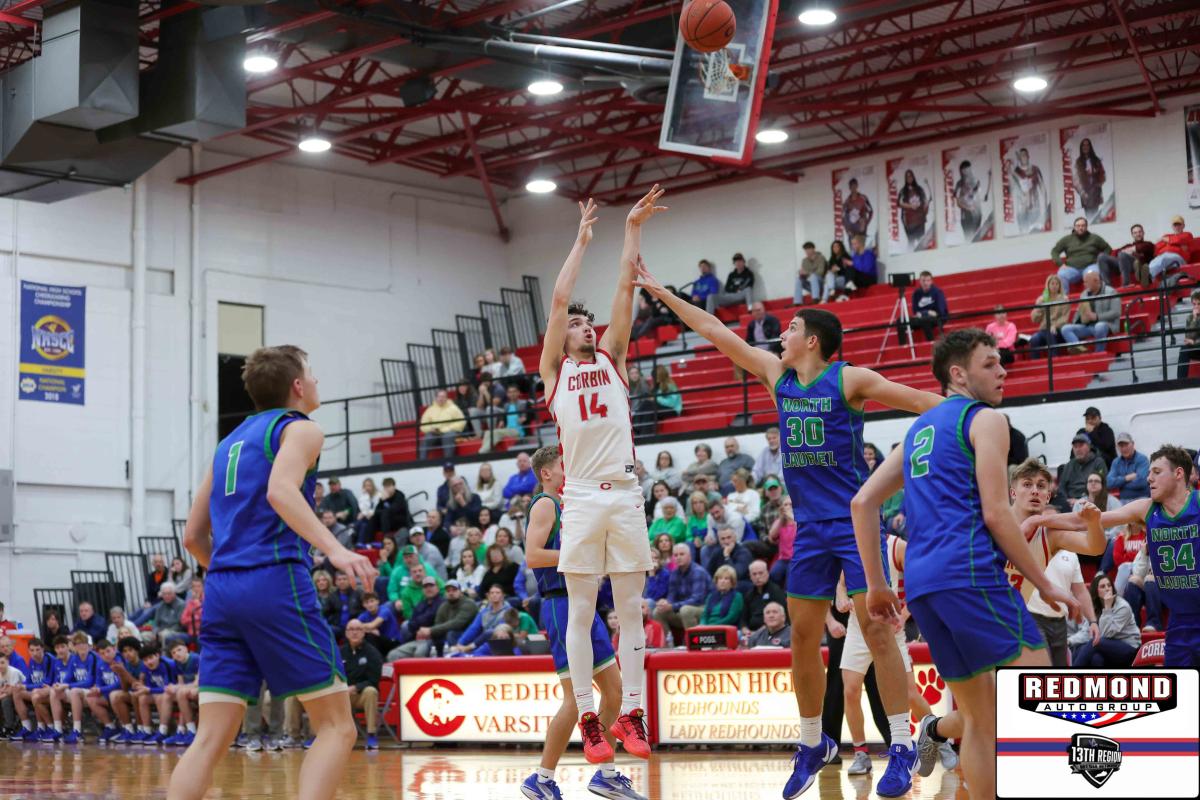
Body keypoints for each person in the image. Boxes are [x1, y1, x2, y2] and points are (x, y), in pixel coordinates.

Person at [635, 264, 946, 800]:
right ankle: (813, 741)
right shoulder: (775, 376)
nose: (782, 334)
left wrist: (973, 423)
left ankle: (900, 744)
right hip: (810, 529)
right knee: (802, 636)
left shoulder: (848, 379)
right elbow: (714, 330)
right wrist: (664, 294)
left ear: (813, 340)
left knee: (877, 630)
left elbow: (923, 402)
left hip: (854, 522)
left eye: (792, 327)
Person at [852, 330, 1079, 800]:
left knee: (980, 718)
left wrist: (876, 584)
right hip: (969, 573)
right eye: (990, 363)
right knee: (1042, 698)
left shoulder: (918, 429)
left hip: (923, 586)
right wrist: (1045, 584)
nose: (1002, 371)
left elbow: (862, 502)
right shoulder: (986, 419)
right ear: (958, 373)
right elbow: (997, 513)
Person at [165, 345, 375, 800]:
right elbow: (281, 490)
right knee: (337, 727)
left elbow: (192, 537)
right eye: (312, 373)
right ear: (297, 385)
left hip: (221, 588)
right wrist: (336, 550)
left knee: (210, 737)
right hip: (275, 580)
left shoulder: (227, 444)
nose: (316, 381)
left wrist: (233, 577)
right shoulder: (301, 429)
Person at [539, 190, 662, 764]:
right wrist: (582, 240)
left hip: (626, 491)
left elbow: (625, 287)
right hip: (583, 496)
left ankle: (632, 713)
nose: (586, 328)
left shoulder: (613, 359)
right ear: (563, 337)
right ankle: (589, 719)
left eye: (590, 324)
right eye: (577, 325)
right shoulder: (554, 373)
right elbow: (560, 298)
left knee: (632, 608)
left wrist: (632, 228)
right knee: (582, 609)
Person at [520, 446, 645, 800]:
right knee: (576, 700)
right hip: (560, 604)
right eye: (564, 465)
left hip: (584, 603)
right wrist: (581, 555)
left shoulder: (573, 505)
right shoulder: (546, 504)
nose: (571, 469)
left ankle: (606, 775)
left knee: (615, 691)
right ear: (546, 473)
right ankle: (541, 778)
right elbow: (533, 555)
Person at [1025, 444, 1199, 666]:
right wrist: (1037, 520)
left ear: (1178, 473)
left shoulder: (1197, 503)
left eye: (1157, 472)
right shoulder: (1146, 509)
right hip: (1179, 621)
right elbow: (1084, 521)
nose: (1149, 479)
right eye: (1149, 473)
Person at [834, 535, 956, 778]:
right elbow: (841, 583)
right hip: (858, 627)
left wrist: (904, 614)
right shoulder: (851, 544)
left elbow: (922, 583)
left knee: (909, 692)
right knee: (850, 690)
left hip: (889, 627)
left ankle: (939, 738)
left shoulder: (897, 546)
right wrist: (841, 597)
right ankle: (860, 753)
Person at [1071, 574, 1141, 667]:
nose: (1107, 589)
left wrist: (1107, 608)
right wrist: (1069, 641)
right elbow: (1087, 633)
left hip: (1128, 648)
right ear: (1096, 591)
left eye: (1109, 585)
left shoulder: (1122, 606)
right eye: (1103, 586)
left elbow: (1107, 634)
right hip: (1106, 647)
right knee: (1094, 657)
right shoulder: (1094, 607)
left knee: (1095, 642)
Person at [653, 544, 711, 644]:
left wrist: (672, 606)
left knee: (686, 610)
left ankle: (694, 644)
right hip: (682, 608)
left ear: (690, 556)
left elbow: (697, 599)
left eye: (682, 554)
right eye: (675, 555)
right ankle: (667, 644)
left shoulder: (698, 572)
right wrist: (665, 603)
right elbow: (671, 596)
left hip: (703, 608)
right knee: (658, 611)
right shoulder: (674, 573)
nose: (678, 557)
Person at [340, 620, 382, 750]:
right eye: (351, 629)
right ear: (346, 633)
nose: (354, 632)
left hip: (360, 696)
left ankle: (371, 735)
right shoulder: (340, 652)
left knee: (371, 691)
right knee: (323, 693)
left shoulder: (372, 653)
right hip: (341, 696)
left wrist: (355, 687)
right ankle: (315, 735)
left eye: (358, 629)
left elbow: (374, 680)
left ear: (364, 632)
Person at [1061, 270, 1120, 353]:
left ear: (1096, 281)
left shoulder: (1111, 292)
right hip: (1087, 326)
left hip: (1106, 324)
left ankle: (1098, 353)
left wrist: (1097, 316)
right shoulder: (1084, 294)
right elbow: (1078, 313)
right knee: (1065, 328)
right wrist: (1079, 320)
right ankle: (1080, 349)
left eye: (1086, 282)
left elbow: (1116, 312)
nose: (1084, 284)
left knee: (1099, 326)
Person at [1051, 217, 1117, 289]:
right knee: (1061, 274)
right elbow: (1054, 251)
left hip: (1091, 266)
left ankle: (1093, 295)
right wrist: (1060, 264)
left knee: (1092, 275)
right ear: (1074, 227)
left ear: (1086, 227)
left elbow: (1107, 248)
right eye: (1078, 226)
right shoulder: (1066, 239)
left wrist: (1100, 261)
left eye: (1083, 225)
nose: (1080, 228)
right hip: (1072, 269)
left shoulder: (1094, 238)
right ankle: (1064, 296)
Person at [1028, 274, 1071, 357]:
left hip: (1057, 329)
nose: (1054, 286)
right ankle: (1035, 362)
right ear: (1048, 285)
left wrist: (1055, 325)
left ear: (1059, 286)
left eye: (1056, 284)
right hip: (1044, 329)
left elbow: (1064, 318)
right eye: (1052, 284)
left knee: (1050, 335)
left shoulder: (1064, 299)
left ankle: (1054, 359)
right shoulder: (1042, 299)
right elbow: (1035, 319)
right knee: (1034, 339)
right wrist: (1039, 307)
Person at [417, 388, 466, 460]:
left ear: (446, 398)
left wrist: (447, 429)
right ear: (436, 398)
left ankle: (448, 461)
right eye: (439, 396)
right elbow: (423, 424)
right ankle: (422, 463)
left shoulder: (453, 408)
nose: (441, 399)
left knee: (448, 436)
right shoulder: (430, 409)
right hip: (435, 433)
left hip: (449, 432)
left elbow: (462, 421)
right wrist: (430, 429)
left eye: (443, 397)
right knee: (426, 439)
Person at [1060, 433, 1107, 505]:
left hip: (1091, 501)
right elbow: (1062, 487)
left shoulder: (1098, 463)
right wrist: (1066, 501)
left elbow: (1102, 485)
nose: (1078, 449)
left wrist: (1082, 500)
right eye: (1075, 447)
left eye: (1081, 446)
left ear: (1089, 447)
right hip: (1070, 502)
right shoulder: (1069, 465)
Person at [1011, 147, 1049, 234]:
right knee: (1024, 234)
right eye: (1021, 156)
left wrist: (1045, 209)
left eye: (1024, 155)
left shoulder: (1035, 169)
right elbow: (1012, 191)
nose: (1023, 157)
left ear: (1028, 156)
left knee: (1036, 234)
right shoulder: (1016, 172)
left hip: (1035, 209)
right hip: (1022, 210)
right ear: (1019, 158)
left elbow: (1043, 189)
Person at [1148, 214, 1194, 282]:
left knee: (1165, 258)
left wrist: (1165, 240)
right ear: (1172, 226)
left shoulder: (1187, 234)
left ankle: (1149, 276)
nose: (1177, 227)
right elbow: (1157, 248)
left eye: (1179, 224)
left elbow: (1178, 240)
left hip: (1179, 259)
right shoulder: (1167, 236)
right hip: (1165, 259)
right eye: (1175, 225)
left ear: (1183, 226)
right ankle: (1149, 278)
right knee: (1154, 261)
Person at [906, 271, 948, 342]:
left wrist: (923, 313)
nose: (925, 283)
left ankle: (931, 344)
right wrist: (928, 312)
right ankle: (904, 346)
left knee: (925, 320)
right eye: (923, 280)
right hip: (921, 318)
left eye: (928, 280)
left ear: (931, 281)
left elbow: (940, 312)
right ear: (920, 281)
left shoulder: (937, 292)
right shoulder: (916, 293)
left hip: (938, 318)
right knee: (901, 321)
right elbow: (915, 312)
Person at [1073, 137, 1106, 221]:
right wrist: (1082, 193)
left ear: (1090, 147)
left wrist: (1098, 181)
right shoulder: (1078, 162)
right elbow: (1075, 180)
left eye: (1087, 145)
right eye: (1083, 145)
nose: (1085, 147)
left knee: (1095, 216)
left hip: (1096, 193)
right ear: (1081, 147)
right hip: (1085, 194)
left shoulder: (1096, 160)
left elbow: (1103, 175)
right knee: (1089, 217)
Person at [897, 169, 930, 248]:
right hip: (909, 223)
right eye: (907, 177)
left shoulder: (919, 189)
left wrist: (926, 208)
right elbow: (899, 203)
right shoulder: (903, 191)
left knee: (921, 244)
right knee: (911, 244)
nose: (909, 178)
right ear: (905, 178)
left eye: (910, 176)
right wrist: (910, 206)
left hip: (920, 221)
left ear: (913, 177)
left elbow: (925, 201)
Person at [953, 160, 983, 241]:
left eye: (969, 170)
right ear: (962, 172)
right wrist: (967, 207)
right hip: (966, 217)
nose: (967, 173)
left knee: (977, 239)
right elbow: (957, 202)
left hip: (977, 215)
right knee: (968, 239)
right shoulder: (959, 184)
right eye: (965, 171)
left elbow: (978, 197)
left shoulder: (976, 181)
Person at [1177, 289, 1200, 379]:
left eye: (1199, 304)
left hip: (1197, 344)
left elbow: (1191, 340)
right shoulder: (1190, 317)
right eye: (1194, 304)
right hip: (1197, 348)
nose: (1196, 307)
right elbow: (1188, 337)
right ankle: (1180, 382)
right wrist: (1194, 319)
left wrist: (1194, 342)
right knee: (1184, 349)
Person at [842, 177, 874, 241]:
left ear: (857, 186)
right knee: (853, 247)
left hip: (861, 229)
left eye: (854, 185)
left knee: (861, 246)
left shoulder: (863, 198)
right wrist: (847, 230)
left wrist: (866, 223)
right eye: (851, 186)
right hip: (852, 231)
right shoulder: (847, 201)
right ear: (849, 188)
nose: (853, 188)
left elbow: (870, 211)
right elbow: (843, 217)